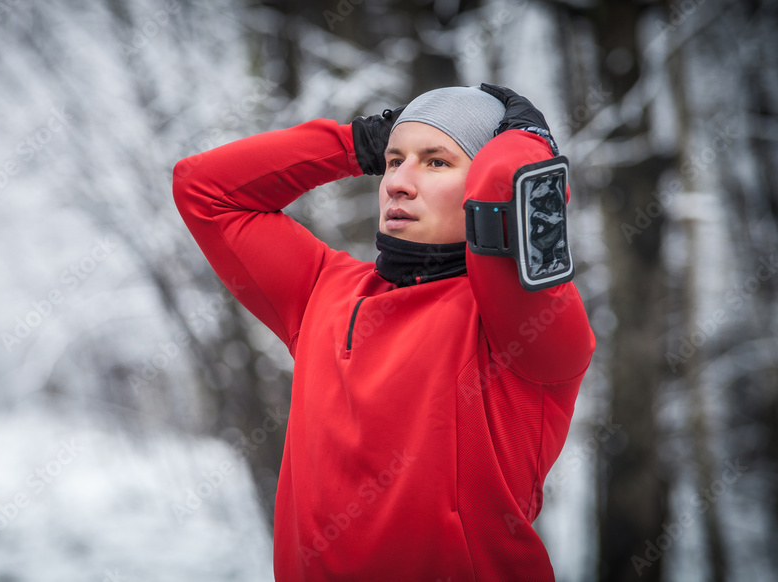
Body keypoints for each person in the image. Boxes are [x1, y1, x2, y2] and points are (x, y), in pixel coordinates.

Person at [172, 84, 595, 581]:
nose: (399, 182)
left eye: (437, 162)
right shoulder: (321, 291)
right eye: (394, 162)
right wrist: (359, 142)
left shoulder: (523, 328)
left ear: (479, 186)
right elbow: (202, 187)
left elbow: (507, 181)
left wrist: (528, 143)